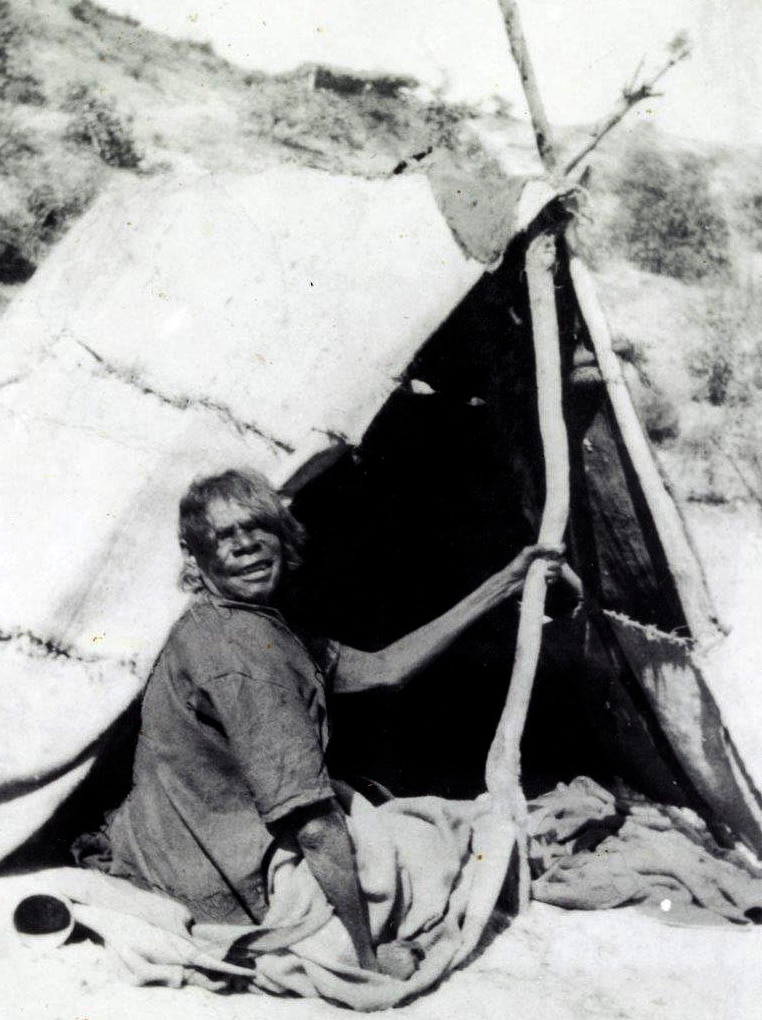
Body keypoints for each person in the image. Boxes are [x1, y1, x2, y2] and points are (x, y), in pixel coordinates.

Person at [96, 468, 563, 980]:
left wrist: (507, 581)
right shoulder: (242, 658)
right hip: (218, 877)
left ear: (282, 537)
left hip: (175, 847)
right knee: (442, 846)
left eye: (258, 528)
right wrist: (368, 959)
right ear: (195, 557)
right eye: (222, 536)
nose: (245, 546)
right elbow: (314, 828)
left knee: (411, 830)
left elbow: (384, 671)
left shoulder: (253, 625)